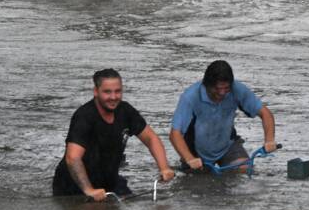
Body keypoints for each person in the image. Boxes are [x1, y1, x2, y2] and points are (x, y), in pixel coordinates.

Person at [52, 69, 175, 201]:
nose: (113, 97)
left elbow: (151, 138)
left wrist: (164, 167)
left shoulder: (125, 111)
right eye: (107, 92)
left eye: (118, 91)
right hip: (73, 187)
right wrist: (88, 190)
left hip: (108, 182)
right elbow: (73, 158)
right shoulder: (84, 116)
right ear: (96, 92)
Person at [169, 60, 277, 172]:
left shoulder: (237, 89)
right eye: (217, 89)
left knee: (245, 170)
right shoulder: (190, 97)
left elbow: (265, 114)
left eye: (226, 89)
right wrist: (189, 158)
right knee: (199, 185)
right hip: (196, 153)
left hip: (227, 146)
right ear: (206, 85)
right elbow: (175, 134)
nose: (222, 93)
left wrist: (269, 140)